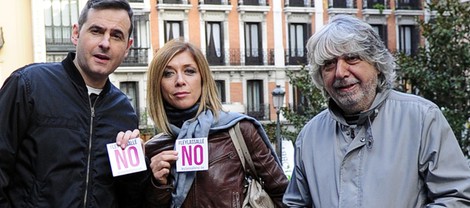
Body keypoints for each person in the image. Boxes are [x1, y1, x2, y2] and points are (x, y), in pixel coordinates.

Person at [282, 15, 470, 207]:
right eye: (329, 64)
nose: (340, 72)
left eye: (352, 58)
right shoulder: (309, 136)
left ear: (377, 65)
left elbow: (456, 198)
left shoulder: (422, 119)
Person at [0, 0, 149, 207]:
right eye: (96, 31)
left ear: (127, 48)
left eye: (116, 35)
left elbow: (127, 198)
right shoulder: (28, 85)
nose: (105, 43)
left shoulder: (123, 111)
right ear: (76, 33)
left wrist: (138, 169)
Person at [140, 38, 287, 207]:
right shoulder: (153, 150)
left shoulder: (239, 130)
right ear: (157, 85)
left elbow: (283, 195)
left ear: (203, 79)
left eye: (189, 71)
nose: (180, 81)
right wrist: (158, 185)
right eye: (168, 73)